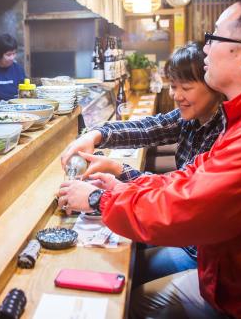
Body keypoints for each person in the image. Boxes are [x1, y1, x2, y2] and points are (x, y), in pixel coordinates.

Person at [58, 0, 241, 318]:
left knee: (126, 304)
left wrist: (100, 200)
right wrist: (118, 186)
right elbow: (192, 180)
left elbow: (184, 211)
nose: (206, 48)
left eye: (215, 38)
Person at [60, 42, 224, 284]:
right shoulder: (193, 117)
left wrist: (103, 192)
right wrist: (96, 135)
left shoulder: (221, 134)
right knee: (123, 250)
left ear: (214, 84)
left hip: (198, 249)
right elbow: (149, 128)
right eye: (173, 86)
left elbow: (178, 203)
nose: (177, 96)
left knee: (124, 271)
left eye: (186, 87)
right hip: (179, 225)